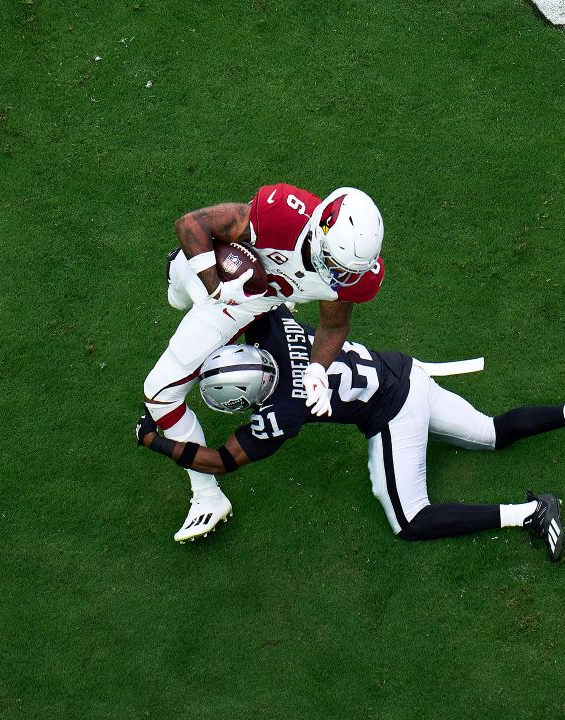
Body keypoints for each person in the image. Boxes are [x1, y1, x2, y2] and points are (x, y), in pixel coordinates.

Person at [135, 306, 565, 562]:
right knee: (490, 432)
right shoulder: (276, 329)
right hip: (406, 370)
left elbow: (218, 462)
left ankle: (529, 513)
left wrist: (154, 440)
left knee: (410, 520)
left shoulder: (281, 414)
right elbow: (262, 300)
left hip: (391, 413)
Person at [144, 184, 387, 542]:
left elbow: (334, 324)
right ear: (320, 233)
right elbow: (191, 225)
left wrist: (317, 369)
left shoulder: (355, 275)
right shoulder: (283, 216)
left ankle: (207, 497)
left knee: (159, 393)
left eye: (349, 270)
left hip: (248, 302)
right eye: (335, 264)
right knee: (180, 272)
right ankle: (200, 283)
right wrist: (215, 287)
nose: (341, 277)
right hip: (232, 283)